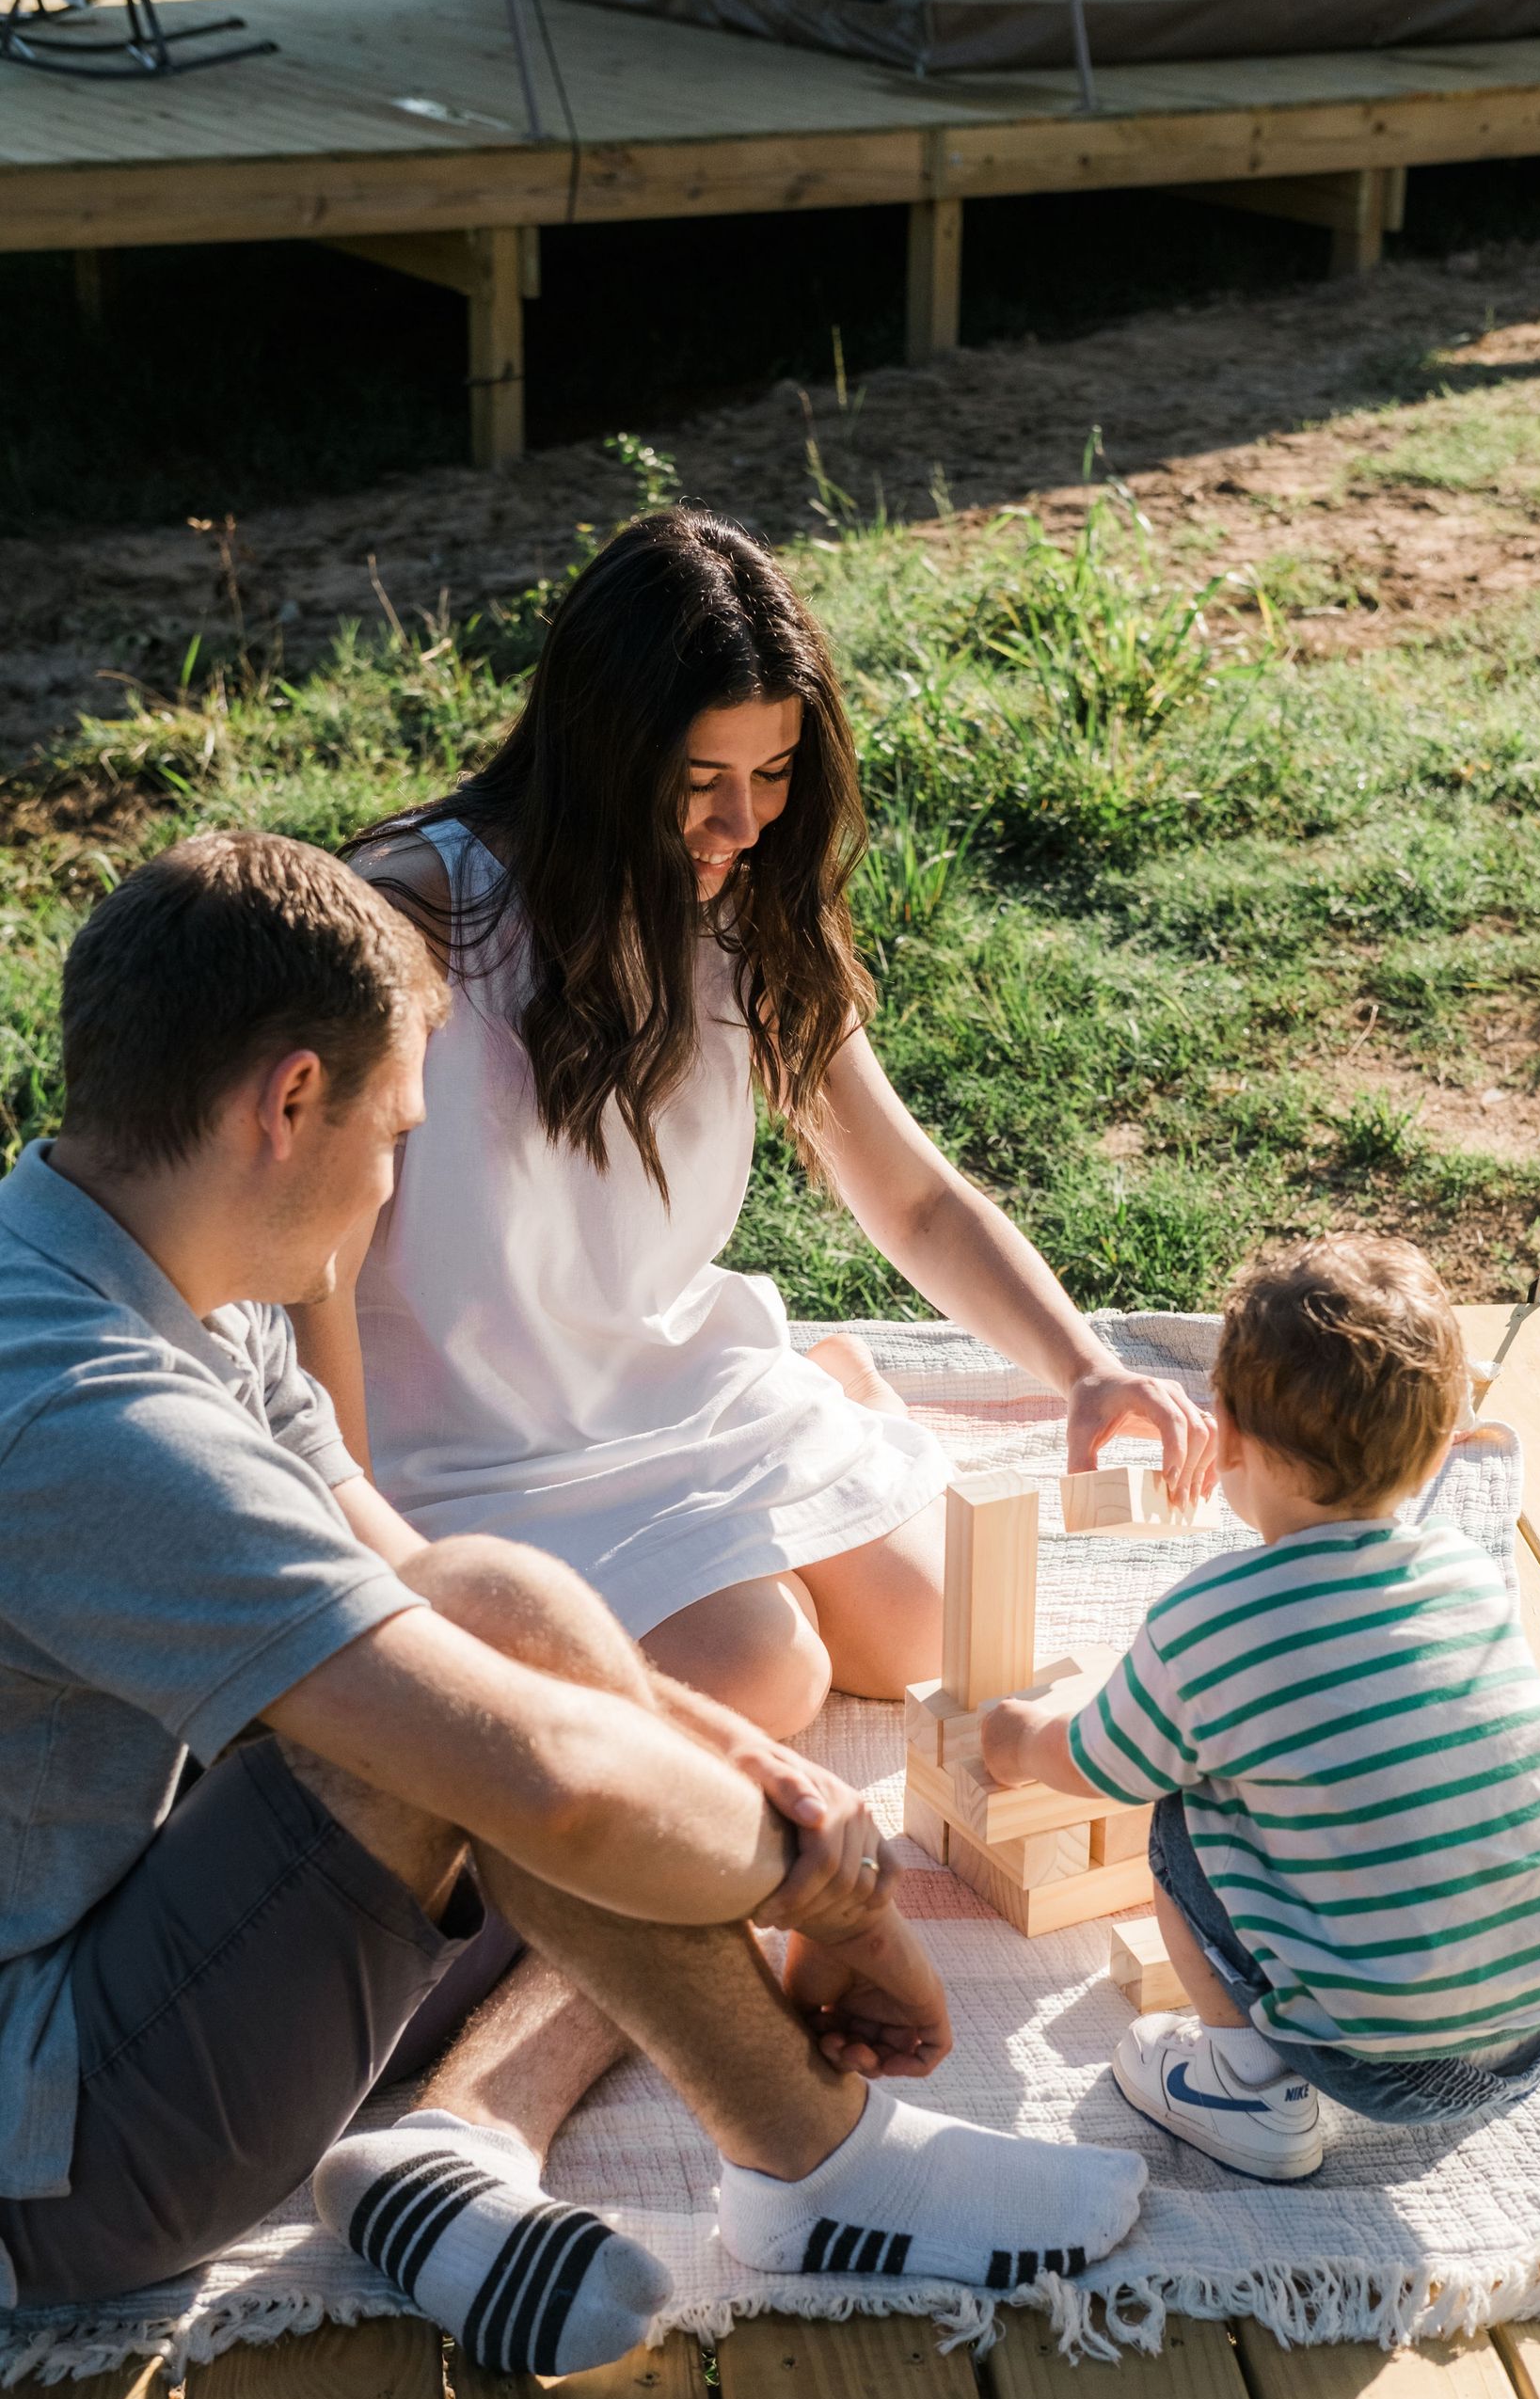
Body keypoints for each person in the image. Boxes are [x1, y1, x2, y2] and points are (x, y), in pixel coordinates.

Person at [0, 832, 1146, 2360]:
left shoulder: (153, 1267)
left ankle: (759, 2161)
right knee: (505, 1741)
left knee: (495, 1613)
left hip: (89, 1975)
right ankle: (821, 2160)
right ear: (286, 1103)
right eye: (394, 1130)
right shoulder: (84, 1417)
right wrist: (833, 1895)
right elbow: (550, 1786)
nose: (396, 1178)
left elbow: (418, 1590)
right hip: (49, 2159)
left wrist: (764, 1776)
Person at [295, 507, 1214, 1746]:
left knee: (933, 1638)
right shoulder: (418, 911)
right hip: (467, 1446)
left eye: (774, 776)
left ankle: (821, 1397)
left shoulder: (744, 908)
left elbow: (916, 1195)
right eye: (699, 784)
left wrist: (1088, 1368)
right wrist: (360, 1539)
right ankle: (784, 1482)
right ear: (603, 756)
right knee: (762, 1674)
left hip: (676, 1386)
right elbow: (311, 1259)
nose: (744, 826)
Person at [980, 1235, 1540, 2184]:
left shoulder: (1210, 1622)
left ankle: (1244, 2088)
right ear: (1437, 1455)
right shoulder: (1465, 1570)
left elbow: (1097, 1765)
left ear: (1228, 1432)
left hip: (1382, 2064)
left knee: (1181, 1807)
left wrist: (1011, 1737)